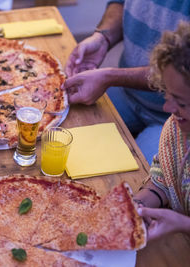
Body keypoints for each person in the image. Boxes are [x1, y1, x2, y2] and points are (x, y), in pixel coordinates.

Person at [63, 0, 189, 164]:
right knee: (59, 128)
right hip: (126, 91)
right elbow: (120, 2)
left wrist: (111, 77)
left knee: (141, 177)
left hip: (174, 118)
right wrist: (103, 37)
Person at [132, 22, 190, 241]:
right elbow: (165, 177)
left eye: (181, 103)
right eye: (167, 94)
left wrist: (183, 224)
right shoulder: (177, 130)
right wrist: (139, 205)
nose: (168, 109)